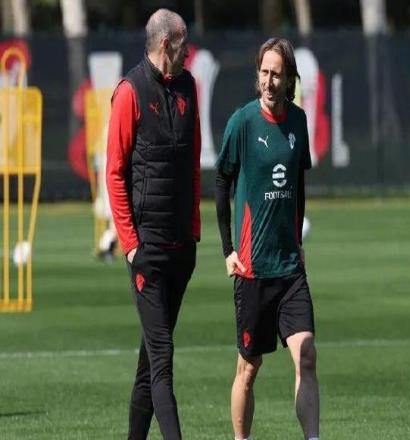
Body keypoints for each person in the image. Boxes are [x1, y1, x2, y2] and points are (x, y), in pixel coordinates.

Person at [215, 38, 320, 440]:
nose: (269, 81)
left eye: (277, 74)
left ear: (289, 78)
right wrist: (228, 250)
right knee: (249, 367)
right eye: (264, 72)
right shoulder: (242, 122)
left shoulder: (298, 121)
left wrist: (298, 240)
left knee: (306, 355)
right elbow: (221, 181)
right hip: (253, 270)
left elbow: (298, 183)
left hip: (289, 268)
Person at [106, 8, 200, 440]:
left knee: (149, 364)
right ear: (166, 44)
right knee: (162, 359)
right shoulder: (129, 92)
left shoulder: (188, 87)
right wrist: (130, 245)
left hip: (181, 248)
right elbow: (114, 173)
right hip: (147, 251)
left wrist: (194, 230)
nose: (188, 51)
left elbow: (193, 163)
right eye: (183, 44)